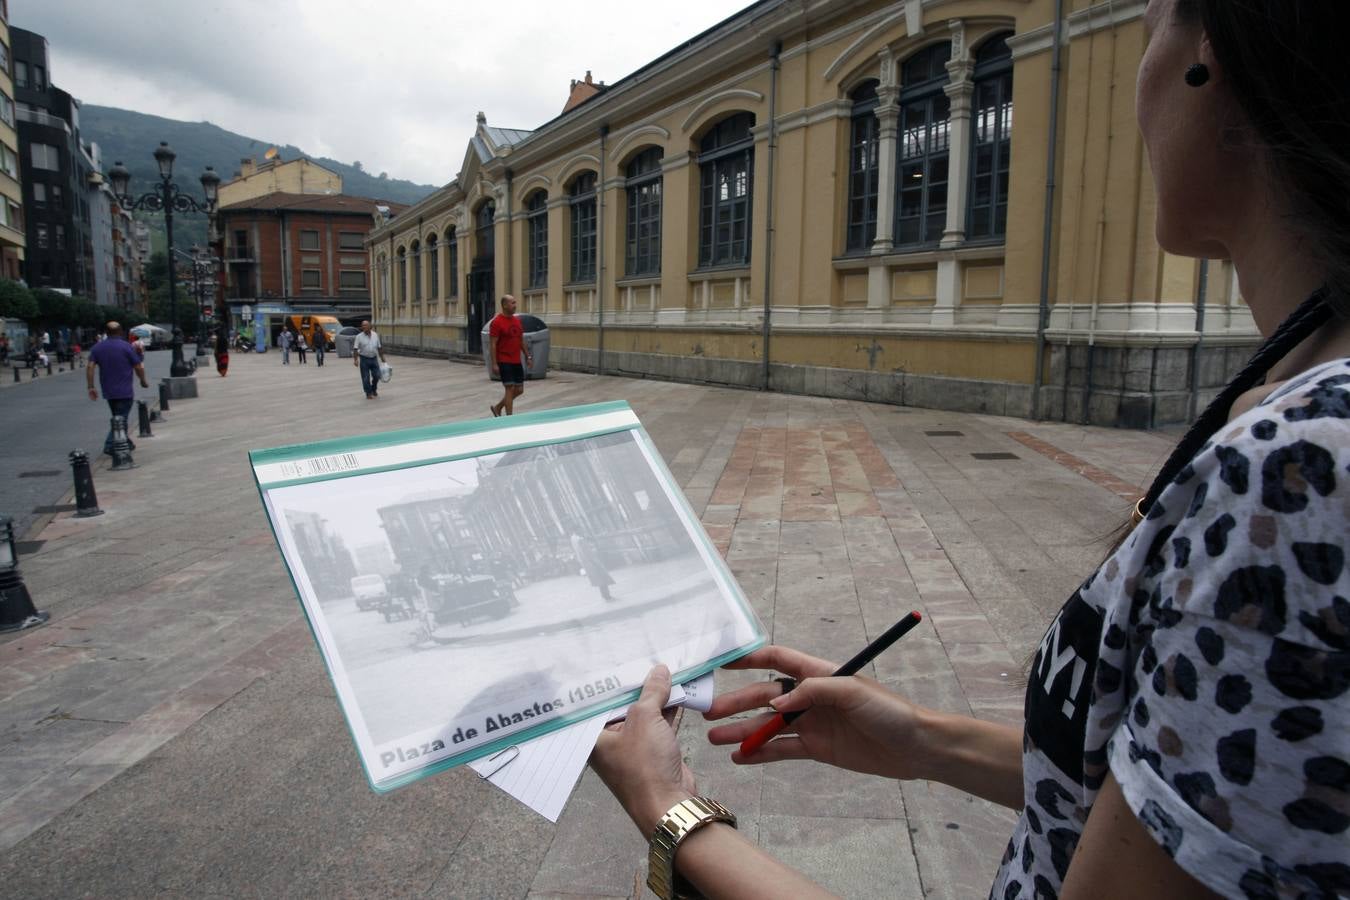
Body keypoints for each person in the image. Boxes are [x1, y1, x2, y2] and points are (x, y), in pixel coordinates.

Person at [590, 4, 1350, 898]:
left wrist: (673, 811)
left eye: (1152, 27)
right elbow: (1186, 793)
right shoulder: (1301, 407)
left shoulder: (1301, 474)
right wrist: (926, 739)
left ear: (1208, 59)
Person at [87, 322, 149, 455]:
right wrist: (143, 380)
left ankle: (126, 442)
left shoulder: (97, 348)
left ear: (106, 332)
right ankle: (110, 445)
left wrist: (91, 386)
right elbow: (138, 366)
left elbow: (90, 367)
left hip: (108, 390)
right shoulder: (126, 347)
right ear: (120, 332)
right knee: (122, 419)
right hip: (125, 390)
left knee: (117, 417)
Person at [488, 294, 533, 417]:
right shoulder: (497, 322)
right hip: (504, 360)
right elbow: (493, 344)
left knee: (519, 390)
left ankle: (498, 407)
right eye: (512, 303)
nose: (515, 305)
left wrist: (528, 356)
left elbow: (520, 340)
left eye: (515, 302)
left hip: (516, 360)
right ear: (504, 305)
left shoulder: (517, 321)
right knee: (509, 388)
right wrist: (494, 363)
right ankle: (509, 418)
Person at [569, 532, 615, 602]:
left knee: (599, 579)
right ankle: (606, 595)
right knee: (602, 577)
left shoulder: (573, 539)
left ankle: (605, 595)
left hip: (586, 562)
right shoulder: (580, 540)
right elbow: (588, 552)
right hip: (592, 561)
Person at [352, 319, 386, 399]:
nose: (364, 327)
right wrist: (355, 360)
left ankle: (373, 389)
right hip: (364, 359)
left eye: (365, 325)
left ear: (370, 326)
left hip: (374, 358)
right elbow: (355, 349)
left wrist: (382, 357)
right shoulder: (359, 337)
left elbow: (379, 347)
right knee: (365, 377)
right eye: (362, 325)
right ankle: (368, 392)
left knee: (377, 375)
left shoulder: (375, 335)